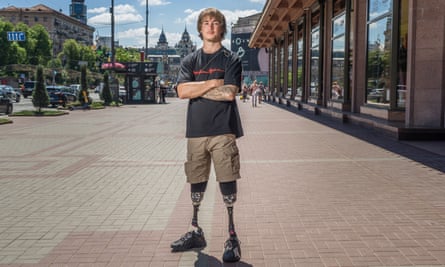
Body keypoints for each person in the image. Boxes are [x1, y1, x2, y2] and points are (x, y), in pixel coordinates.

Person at [170, 8, 243, 263]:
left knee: (227, 181)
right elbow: (180, 92)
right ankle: (195, 231)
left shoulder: (231, 59)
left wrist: (195, 89)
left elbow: (230, 94)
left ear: (221, 29)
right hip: (196, 131)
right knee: (196, 180)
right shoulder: (190, 60)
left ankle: (232, 237)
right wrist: (213, 83)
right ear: (200, 29)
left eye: (215, 23)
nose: (210, 27)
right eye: (206, 23)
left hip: (224, 129)